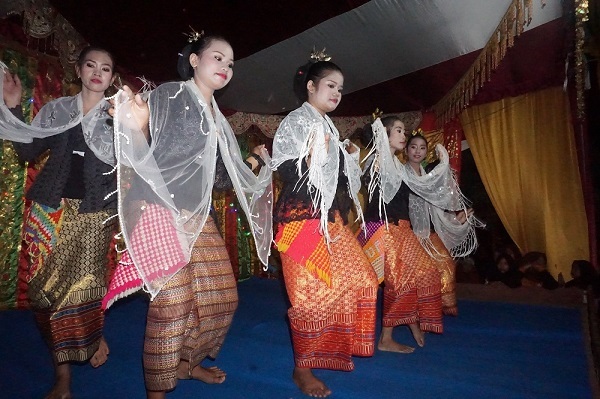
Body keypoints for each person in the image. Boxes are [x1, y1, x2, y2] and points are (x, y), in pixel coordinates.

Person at [103, 32, 272, 399]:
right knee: (173, 305)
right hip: (158, 210)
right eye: (217, 57)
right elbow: (146, 140)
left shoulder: (218, 119)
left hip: (198, 218)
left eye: (230, 63)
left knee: (222, 298)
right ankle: (157, 392)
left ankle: (187, 364)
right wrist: (138, 123)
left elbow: (223, 177)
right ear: (194, 60)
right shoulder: (170, 95)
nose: (226, 67)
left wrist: (256, 160)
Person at [1, 46, 118, 399]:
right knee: (43, 294)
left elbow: (132, 168)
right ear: (79, 71)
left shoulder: (118, 117)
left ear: (112, 78)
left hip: (95, 213)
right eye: (91, 65)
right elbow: (27, 152)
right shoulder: (57, 110)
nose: (98, 72)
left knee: (87, 287)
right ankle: (62, 377)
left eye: (106, 68)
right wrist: (13, 106)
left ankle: (91, 335)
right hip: (49, 210)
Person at [271, 54, 378, 398]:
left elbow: (344, 185)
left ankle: (330, 347)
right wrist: (313, 155)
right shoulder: (295, 122)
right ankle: (302, 369)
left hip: (329, 221)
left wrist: (346, 159)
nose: (336, 93)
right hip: (298, 221)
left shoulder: (330, 127)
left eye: (340, 89)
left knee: (360, 277)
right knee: (309, 295)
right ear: (310, 86)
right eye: (330, 85)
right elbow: (286, 170)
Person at [360, 120, 480, 350]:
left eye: (403, 131)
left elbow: (424, 190)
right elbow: (386, 192)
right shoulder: (377, 161)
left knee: (426, 272)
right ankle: (387, 337)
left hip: (401, 229)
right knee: (401, 280)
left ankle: (409, 321)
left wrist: (453, 213)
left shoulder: (394, 163)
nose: (403, 135)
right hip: (384, 230)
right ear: (383, 134)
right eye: (398, 131)